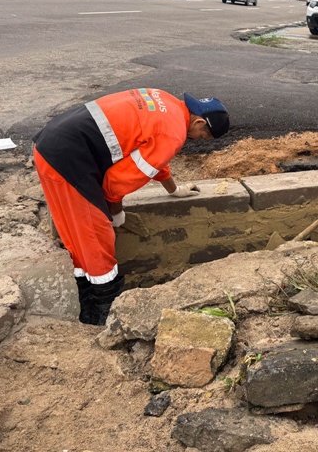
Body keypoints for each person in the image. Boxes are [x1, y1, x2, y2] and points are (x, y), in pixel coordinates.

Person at [32, 89, 230, 325]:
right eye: (202, 136)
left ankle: (84, 303)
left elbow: (154, 157)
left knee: (75, 234)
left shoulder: (165, 102)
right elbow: (115, 185)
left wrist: (173, 189)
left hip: (51, 146)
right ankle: (103, 313)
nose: (198, 141)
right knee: (96, 239)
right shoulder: (173, 133)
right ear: (199, 122)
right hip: (69, 160)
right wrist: (116, 214)